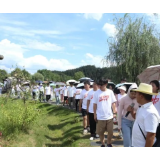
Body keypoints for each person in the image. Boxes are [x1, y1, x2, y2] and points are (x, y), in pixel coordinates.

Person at [128, 83, 160, 147]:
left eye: (136, 93)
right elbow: (137, 119)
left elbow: (151, 136)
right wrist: (132, 111)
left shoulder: (150, 113)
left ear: (141, 96)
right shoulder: (142, 108)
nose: (135, 95)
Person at [93, 78, 117, 147]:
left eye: (101, 85)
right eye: (99, 84)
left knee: (110, 132)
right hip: (100, 116)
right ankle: (103, 144)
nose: (100, 86)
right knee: (101, 132)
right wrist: (95, 114)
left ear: (106, 84)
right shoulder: (96, 93)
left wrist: (114, 112)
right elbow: (95, 105)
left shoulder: (110, 92)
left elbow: (113, 103)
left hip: (109, 116)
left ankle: (109, 143)